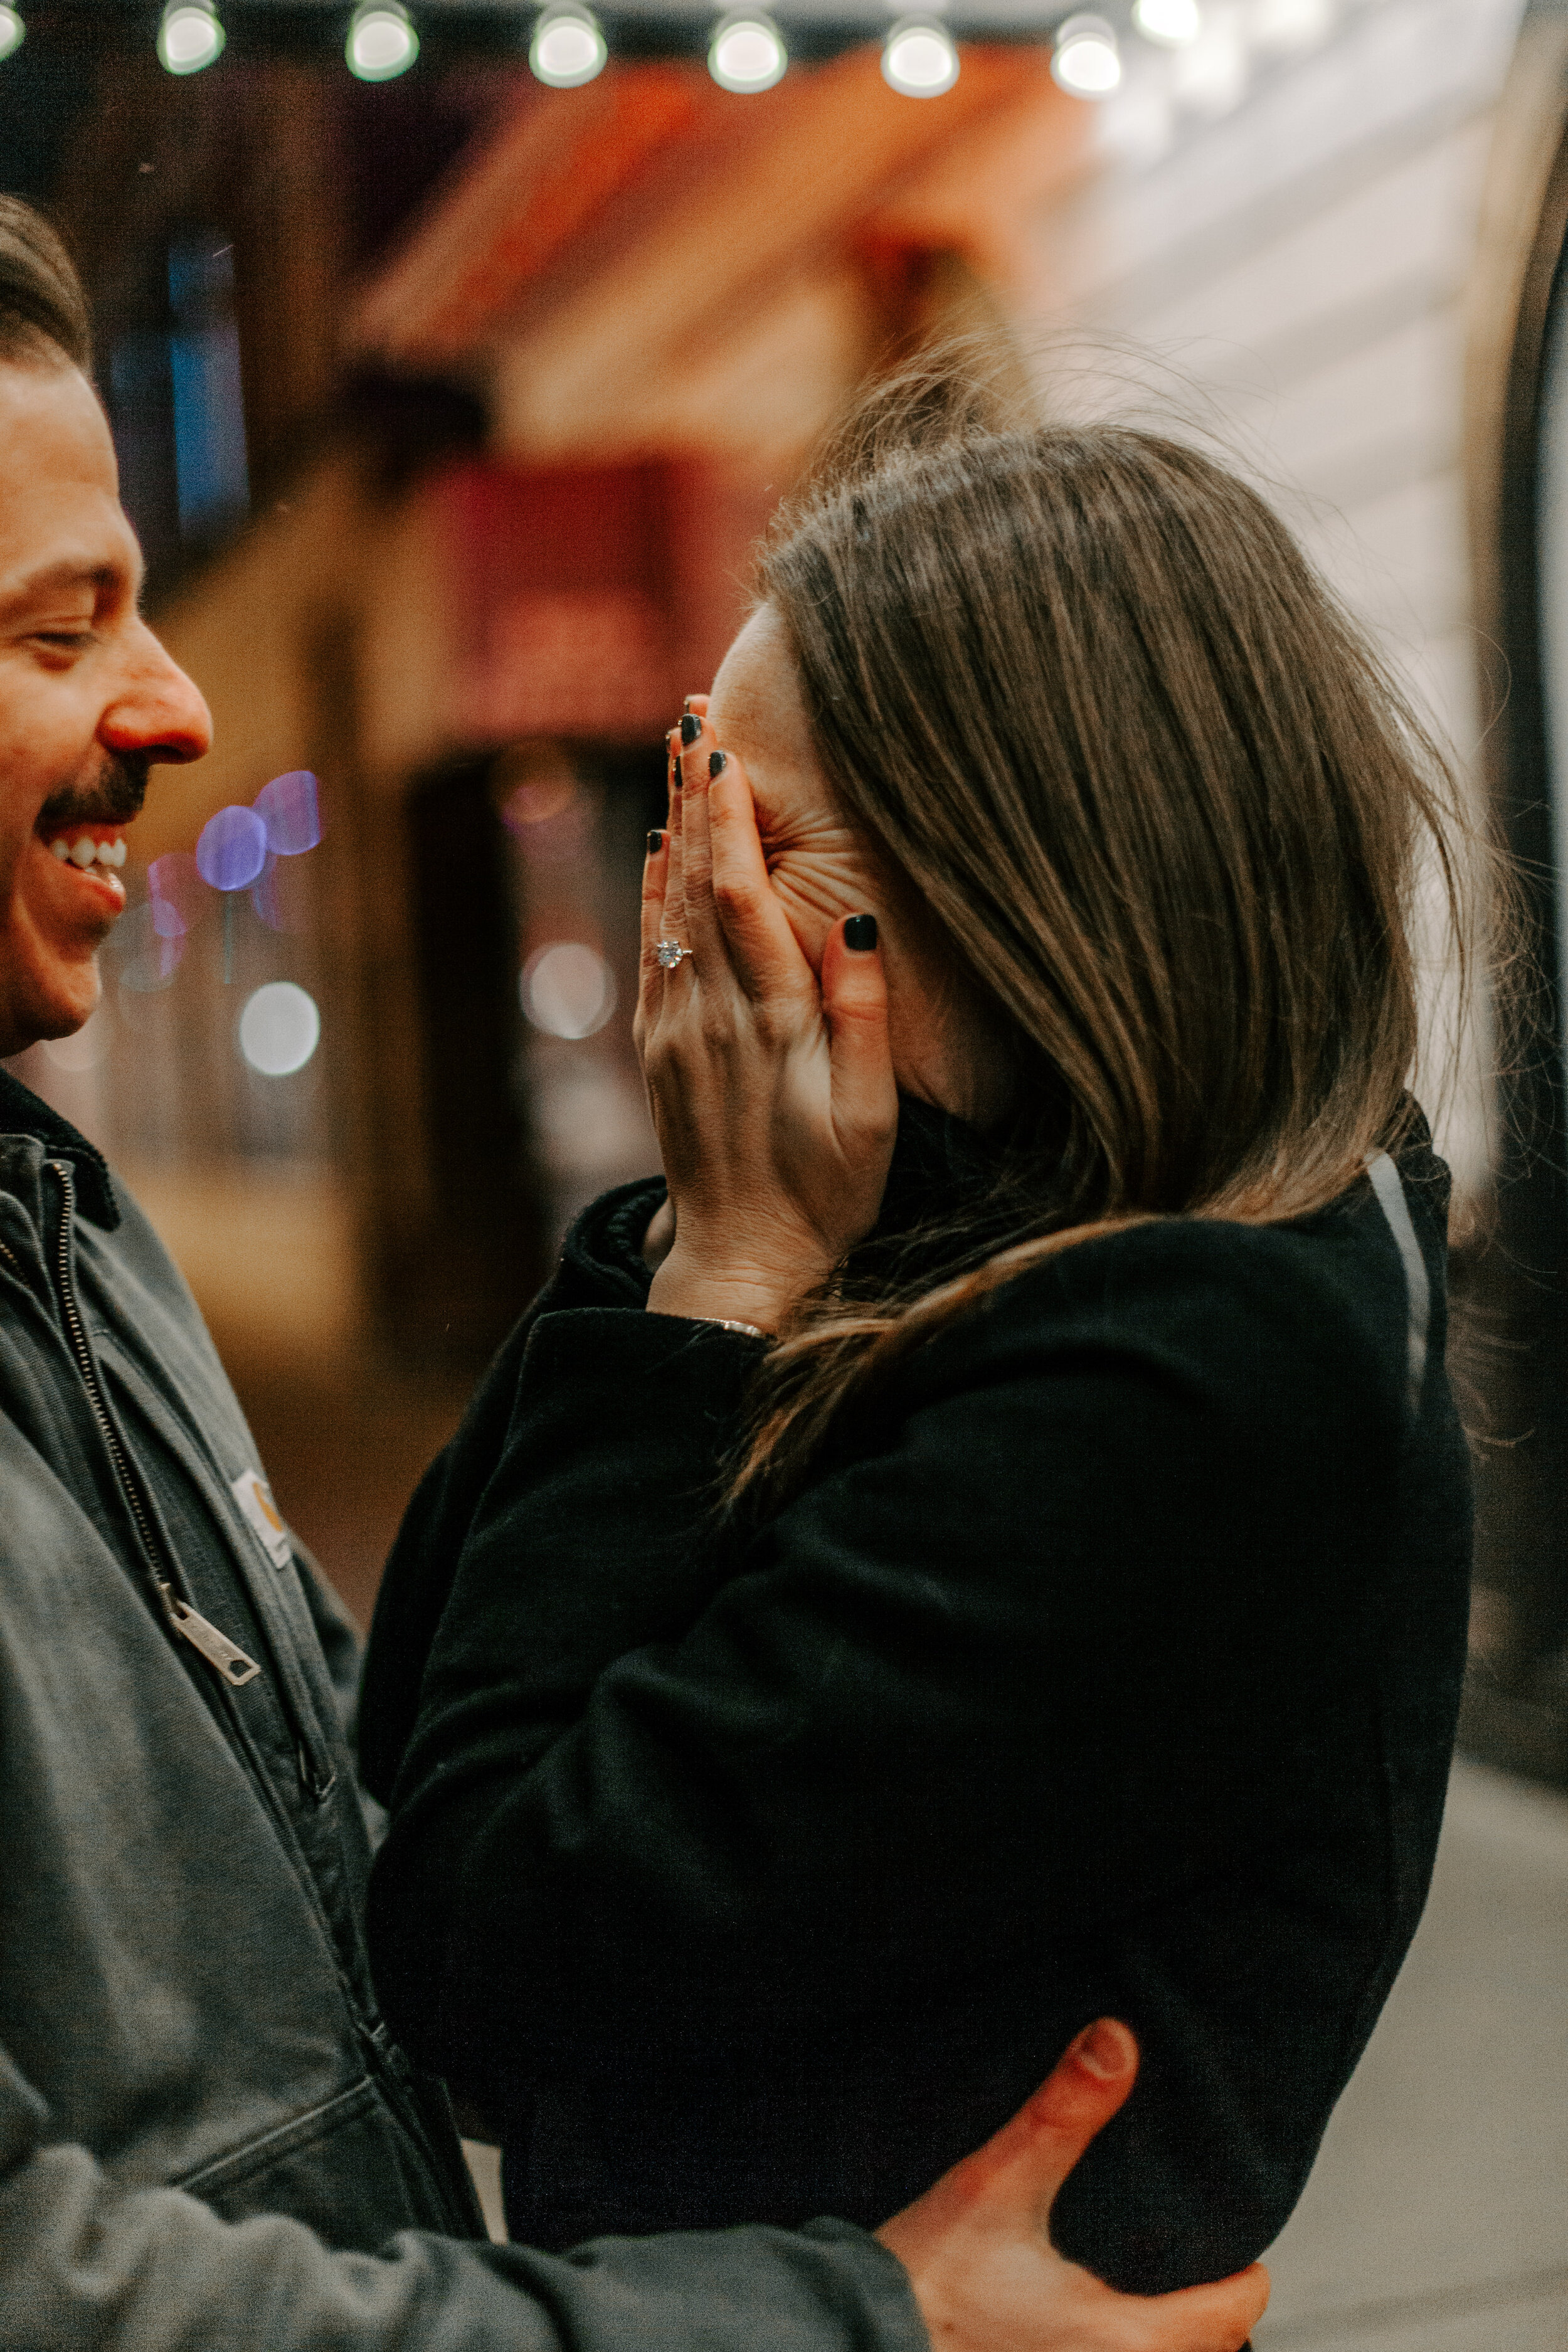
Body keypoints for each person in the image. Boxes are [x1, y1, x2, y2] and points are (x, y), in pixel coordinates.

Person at [0, 197, 1270, 2352]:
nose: (176, 698)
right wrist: (848, 2326)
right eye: (57, 629)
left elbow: (398, 1876)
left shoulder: (63, 1233)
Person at [360, 366, 1481, 2297]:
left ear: (1025, 879)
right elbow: (429, 1711)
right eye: (682, 807)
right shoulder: (971, 1234)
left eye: (752, 837)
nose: (688, 917)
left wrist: (718, 1274)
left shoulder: (1193, 1366)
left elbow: (482, 1941)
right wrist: (698, 1234)